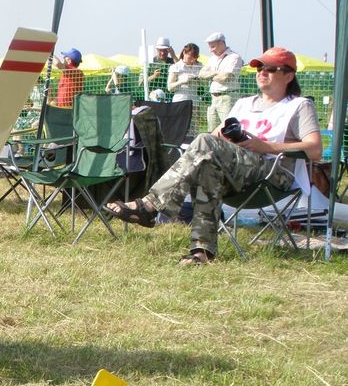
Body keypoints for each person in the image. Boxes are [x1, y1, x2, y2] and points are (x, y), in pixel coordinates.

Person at [104, 47, 321, 266]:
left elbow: (315, 149)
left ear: (289, 75)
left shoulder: (298, 106)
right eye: (258, 67)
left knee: (204, 142)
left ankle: (150, 206)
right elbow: (214, 135)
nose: (262, 72)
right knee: (208, 166)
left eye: (271, 69)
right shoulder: (244, 104)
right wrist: (227, 142)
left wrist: (266, 146)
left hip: (274, 174)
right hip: (237, 172)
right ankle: (202, 253)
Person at [198, 32, 243, 132]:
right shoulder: (212, 59)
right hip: (213, 98)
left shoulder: (234, 57)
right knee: (212, 130)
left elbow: (225, 77)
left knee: (228, 129)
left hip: (227, 98)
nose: (211, 50)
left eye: (213, 47)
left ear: (221, 43)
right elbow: (201, 74)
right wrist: (216, 73)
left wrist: (210, 75)